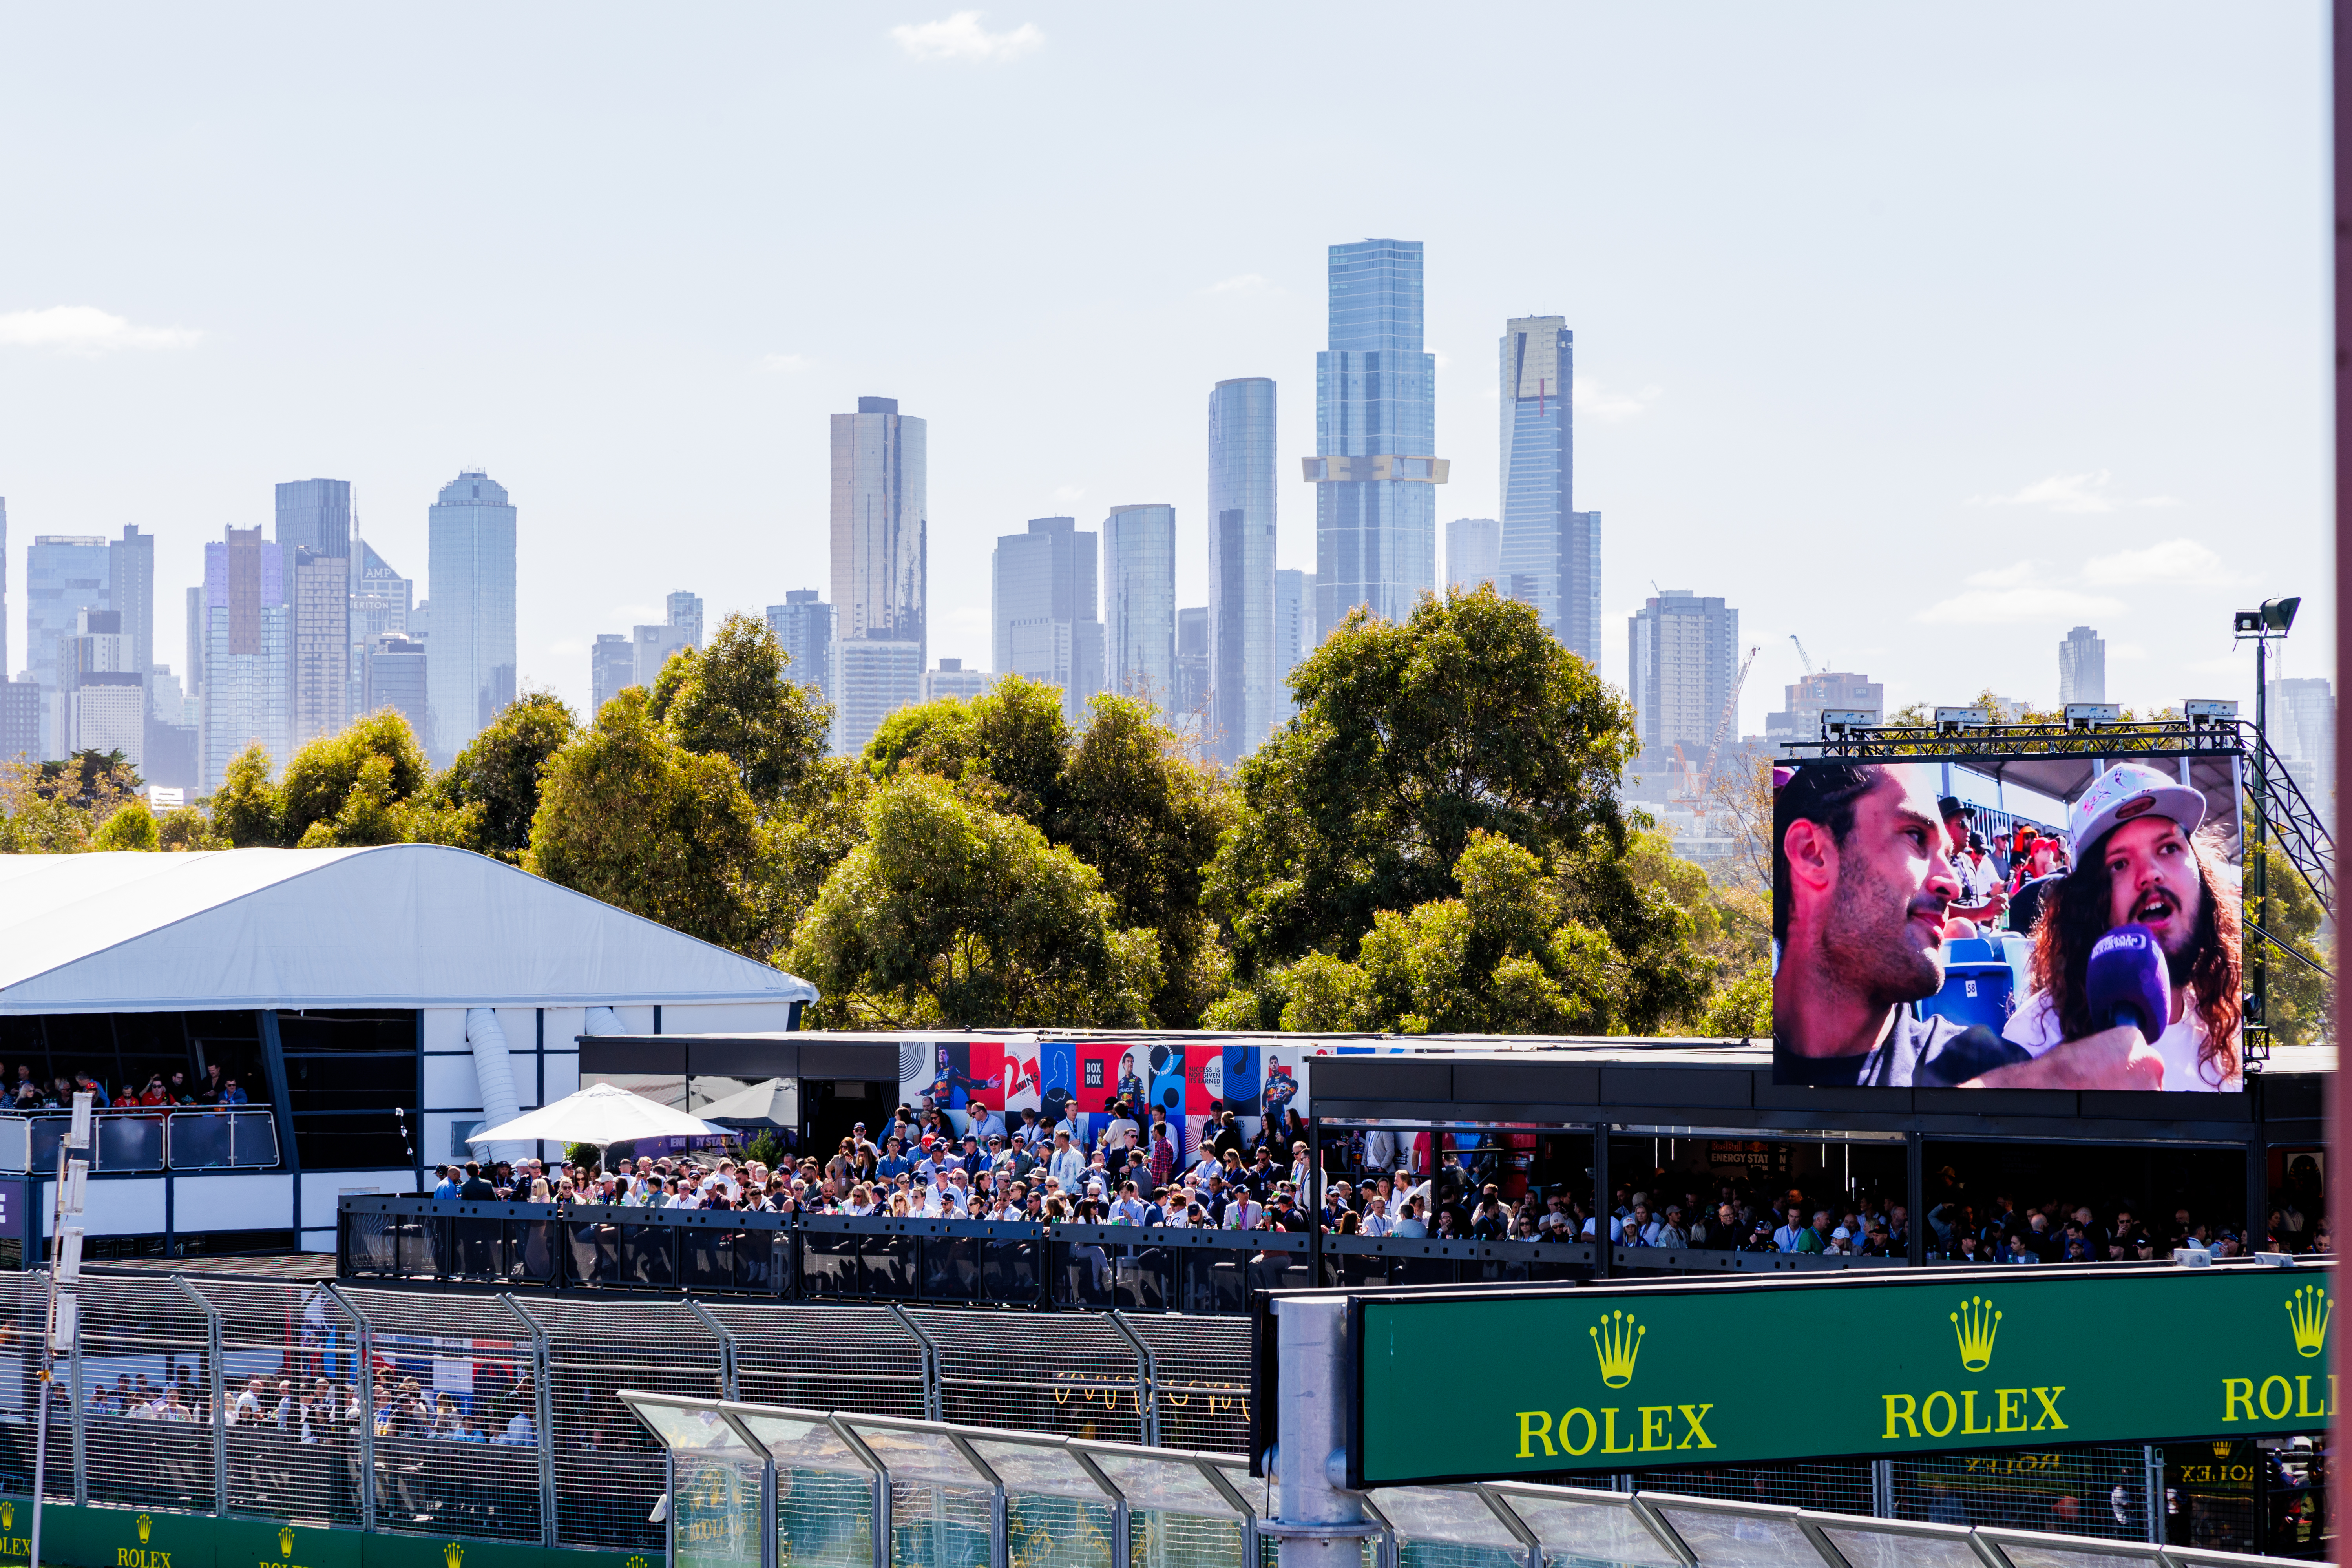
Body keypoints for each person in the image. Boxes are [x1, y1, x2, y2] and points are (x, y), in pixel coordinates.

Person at [1774, 762, 2029, 1086]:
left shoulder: (1987, 1070)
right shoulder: (1727, 1070)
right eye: (1915, 836)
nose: (1953, 885)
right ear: (1811, 853)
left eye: (1947, 856)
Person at [1998, 763, 2243, 1091]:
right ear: (2088, 901)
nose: (2150, 873)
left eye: (2169, 848)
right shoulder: (2035, 1040)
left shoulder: (2230, 1024)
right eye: (2120, 864)